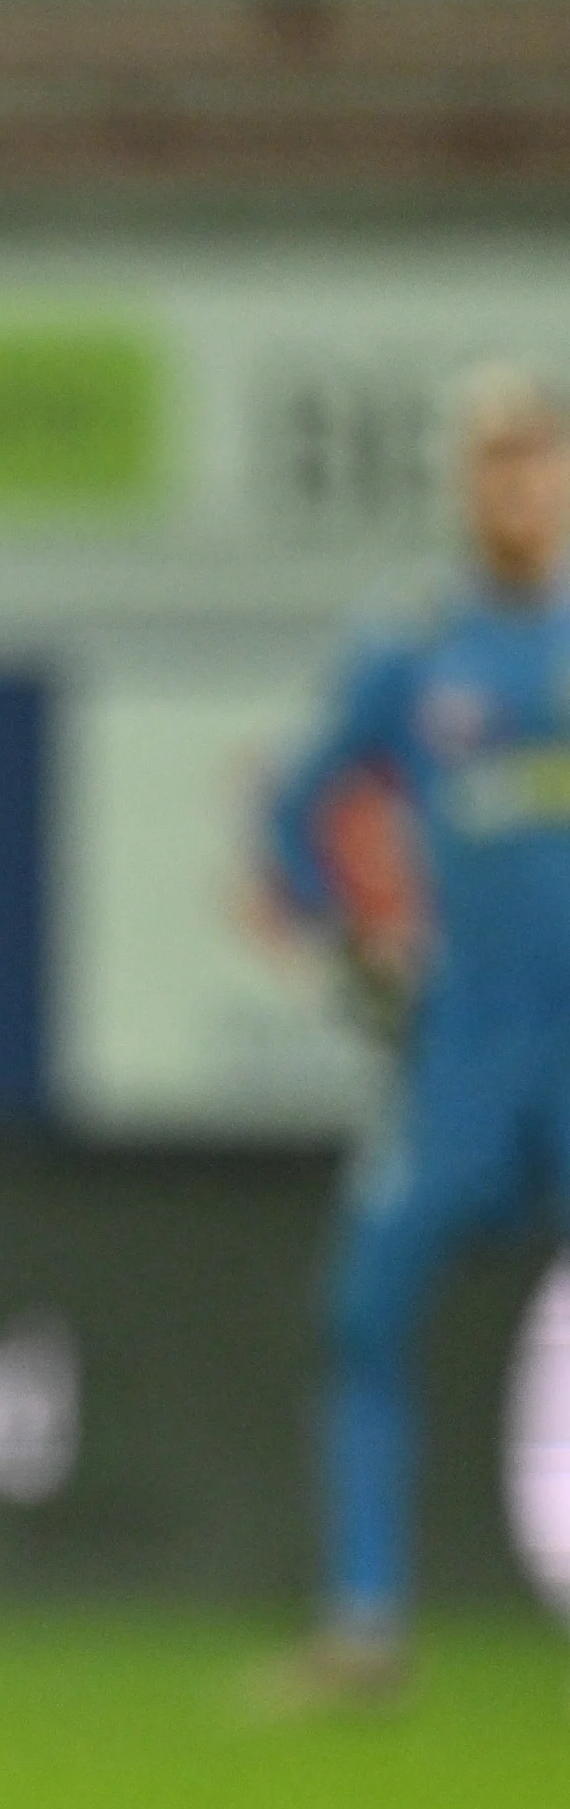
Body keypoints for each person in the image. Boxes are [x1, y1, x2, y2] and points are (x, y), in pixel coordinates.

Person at [265, 366, 570, 1703]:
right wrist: (364, 934)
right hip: (465, 1049)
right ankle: (368, 1624)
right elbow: (297, 807)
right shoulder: (421, 646)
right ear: (469, 485)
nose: (518, 490)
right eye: (496, 465)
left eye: (539, 463)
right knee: (368, 1309)